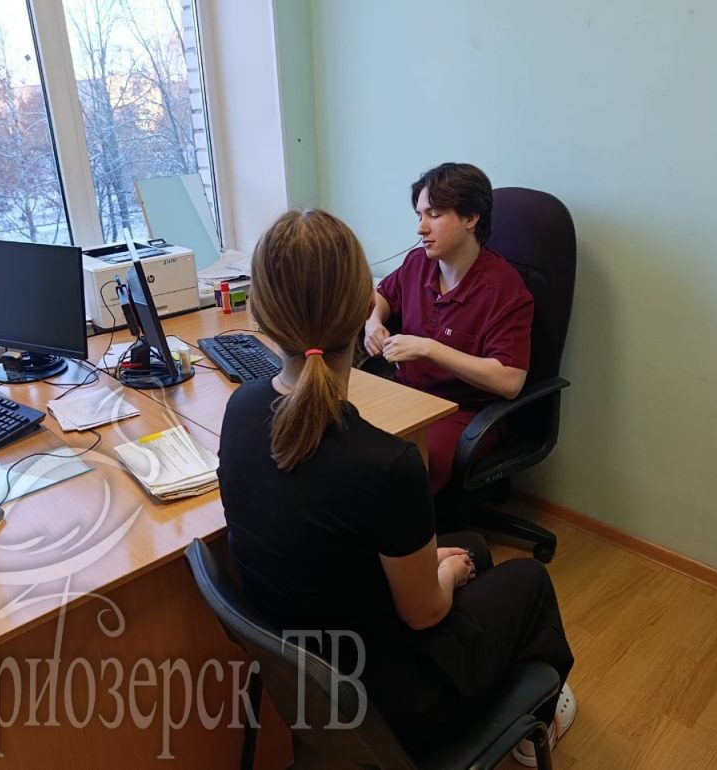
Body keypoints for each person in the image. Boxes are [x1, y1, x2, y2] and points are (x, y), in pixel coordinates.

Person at [217, 208, 575, 764]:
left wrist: (442, 567)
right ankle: (537, 714)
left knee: (472, 546)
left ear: (259, 312)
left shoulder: (240, 409)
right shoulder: (387, 465)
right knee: (526, 578)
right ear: (365, 308)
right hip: (387, 706)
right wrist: (444, 575)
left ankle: (497, 667)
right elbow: (424, 614)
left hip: (306, 668)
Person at [365, 162, 534, 494]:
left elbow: (510, 381)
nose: (421, 228)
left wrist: (429, 348)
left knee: (400, 472)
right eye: (419, 215)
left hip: (465, 412)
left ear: (471, 218)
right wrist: (373, 321)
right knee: (347, 444)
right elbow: (381, 295)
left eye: (435, 215)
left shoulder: (503, 289)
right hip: (407, 392)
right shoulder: (419, 264)